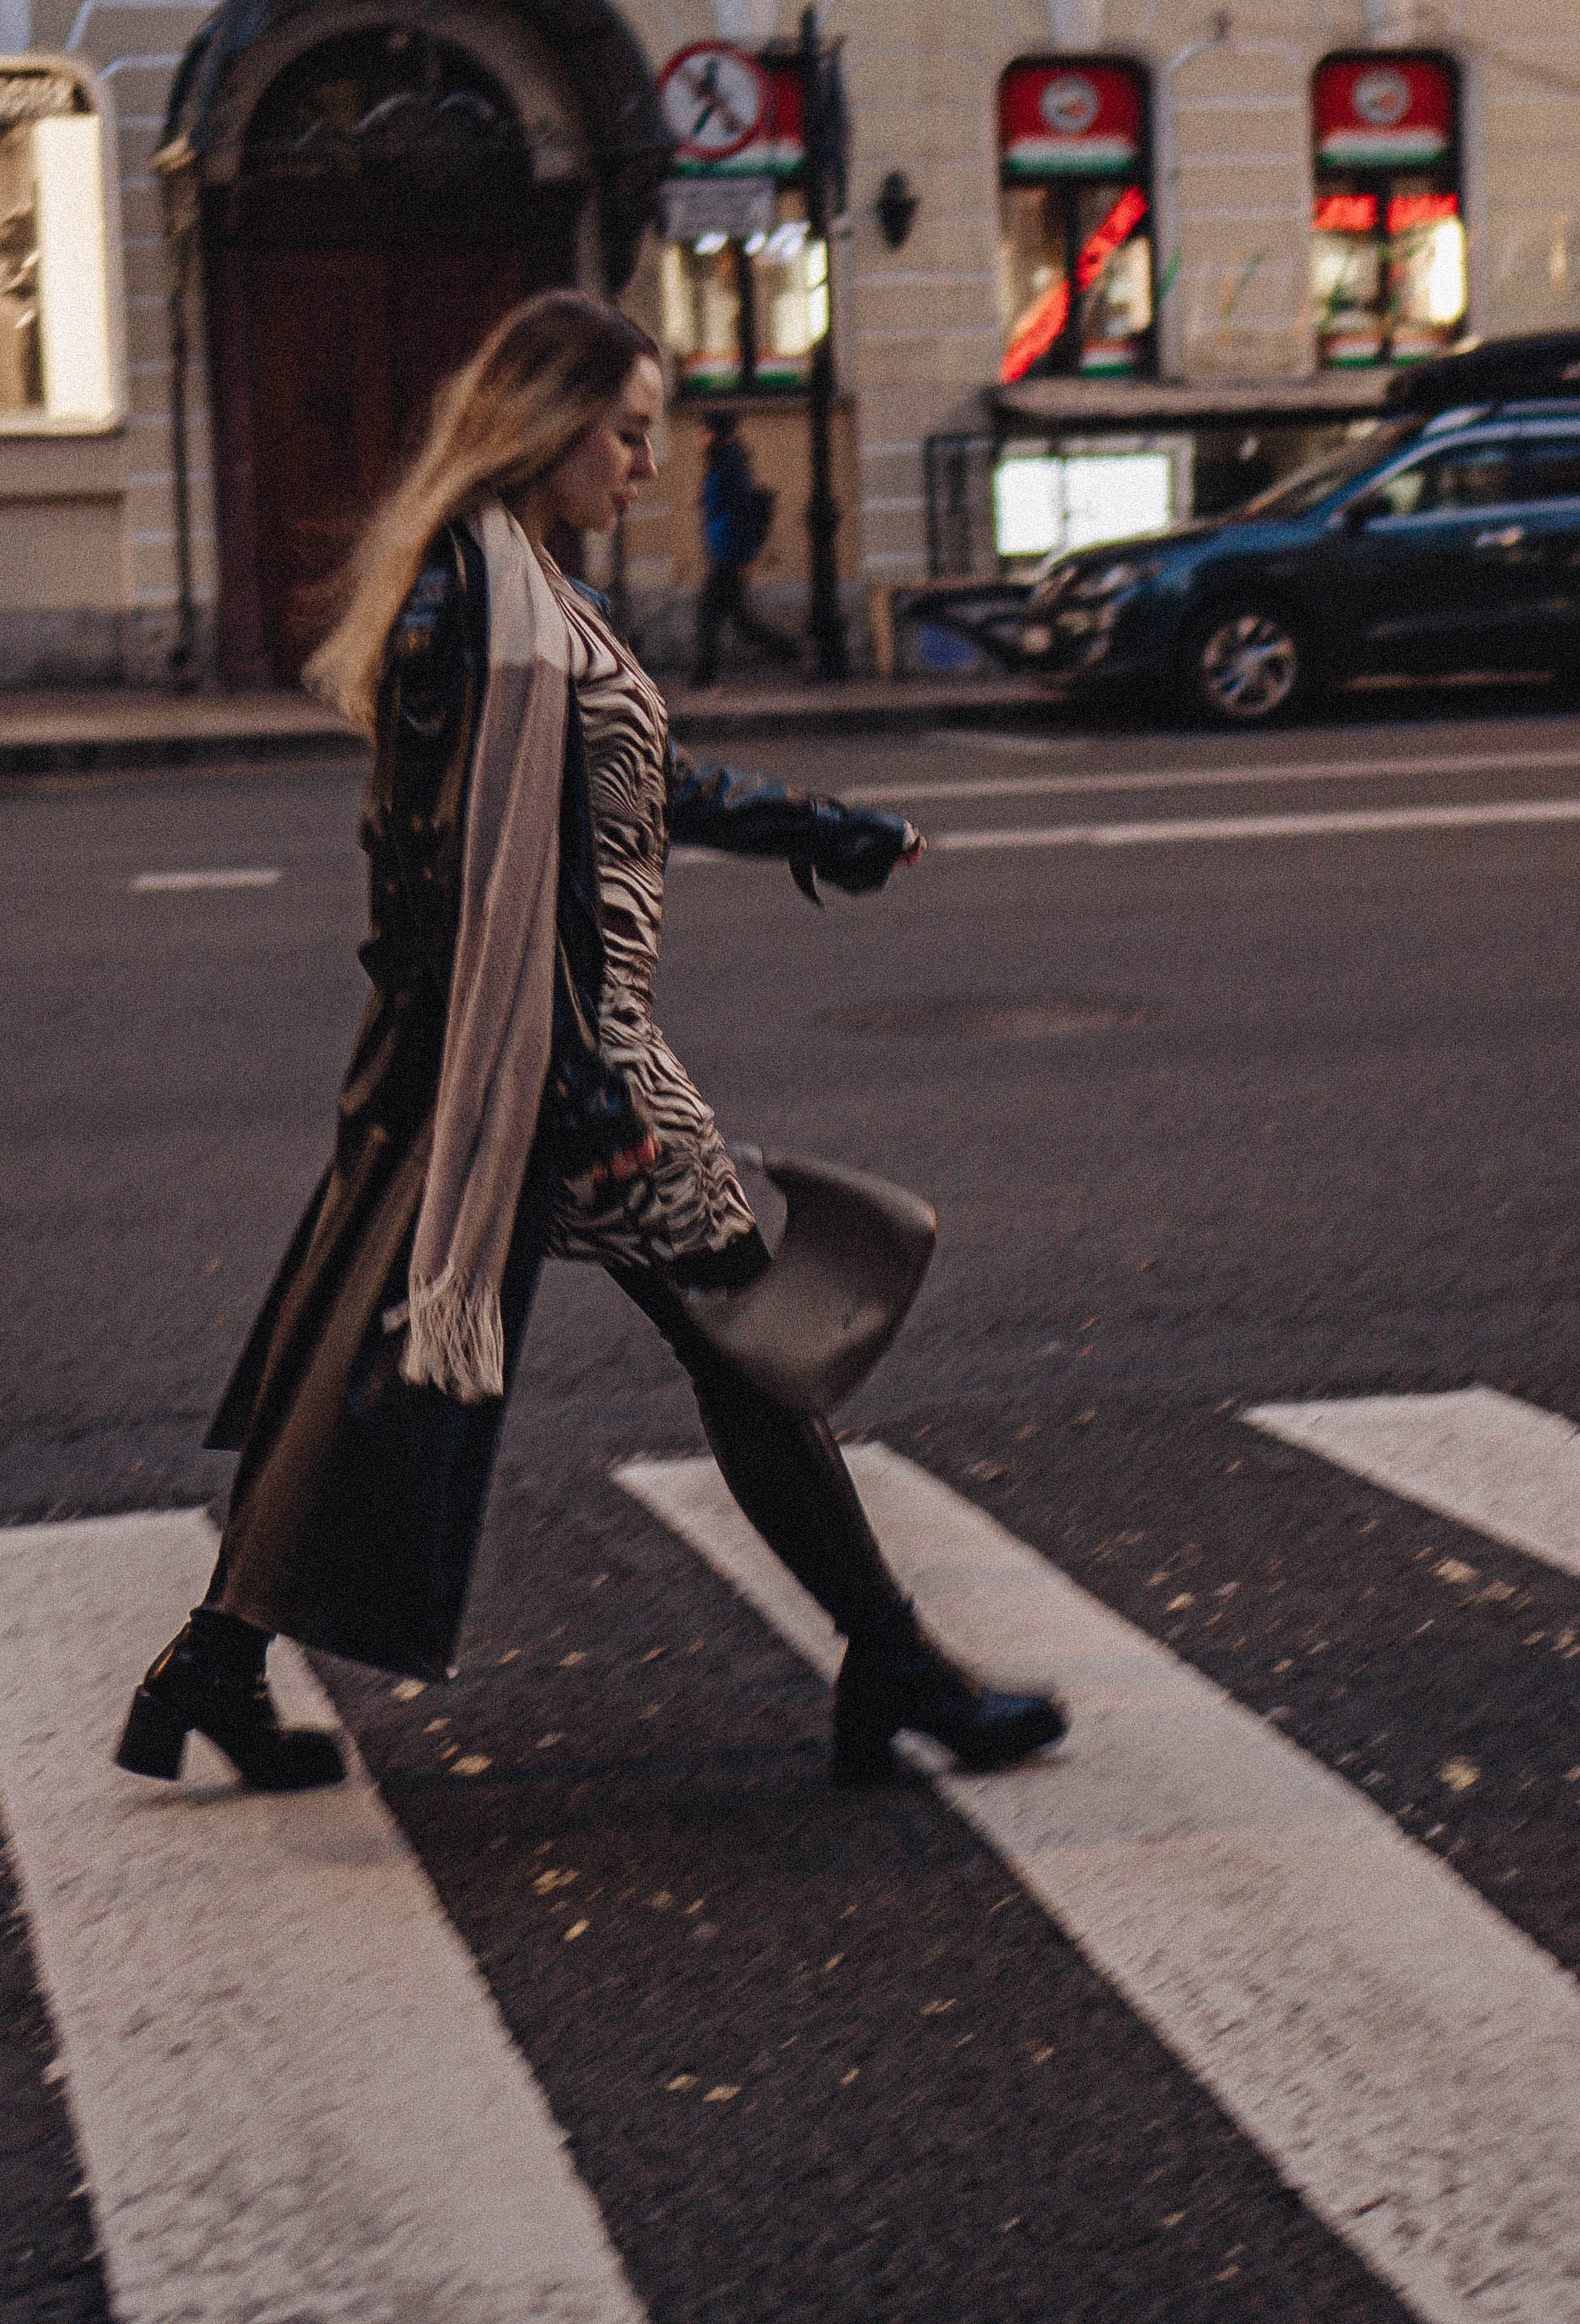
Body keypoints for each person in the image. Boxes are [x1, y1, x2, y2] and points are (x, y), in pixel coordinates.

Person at [115, 292, 1064, 1795]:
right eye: (627, 432)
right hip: (549, 1056)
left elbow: (638, 778)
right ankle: (891, 1661)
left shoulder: (526, 585)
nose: (649, 464)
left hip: (533, 1053)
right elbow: (448, 882)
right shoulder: (466, 605)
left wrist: (819, 829)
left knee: (372, 1374)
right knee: (746, 1343)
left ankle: (209, 1668)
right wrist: (582, 1090)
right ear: (548, 425)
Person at [690, 407, 797, 685]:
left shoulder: (732, 465)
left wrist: (747, 556)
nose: (700, 438)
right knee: (740, 621)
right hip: (724, 551)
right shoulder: (720, 462)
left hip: (731, 554)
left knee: (709, 615)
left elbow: (743, 511)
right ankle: (793, 653)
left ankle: (704, 677)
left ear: (717, 433)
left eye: (704, 432)